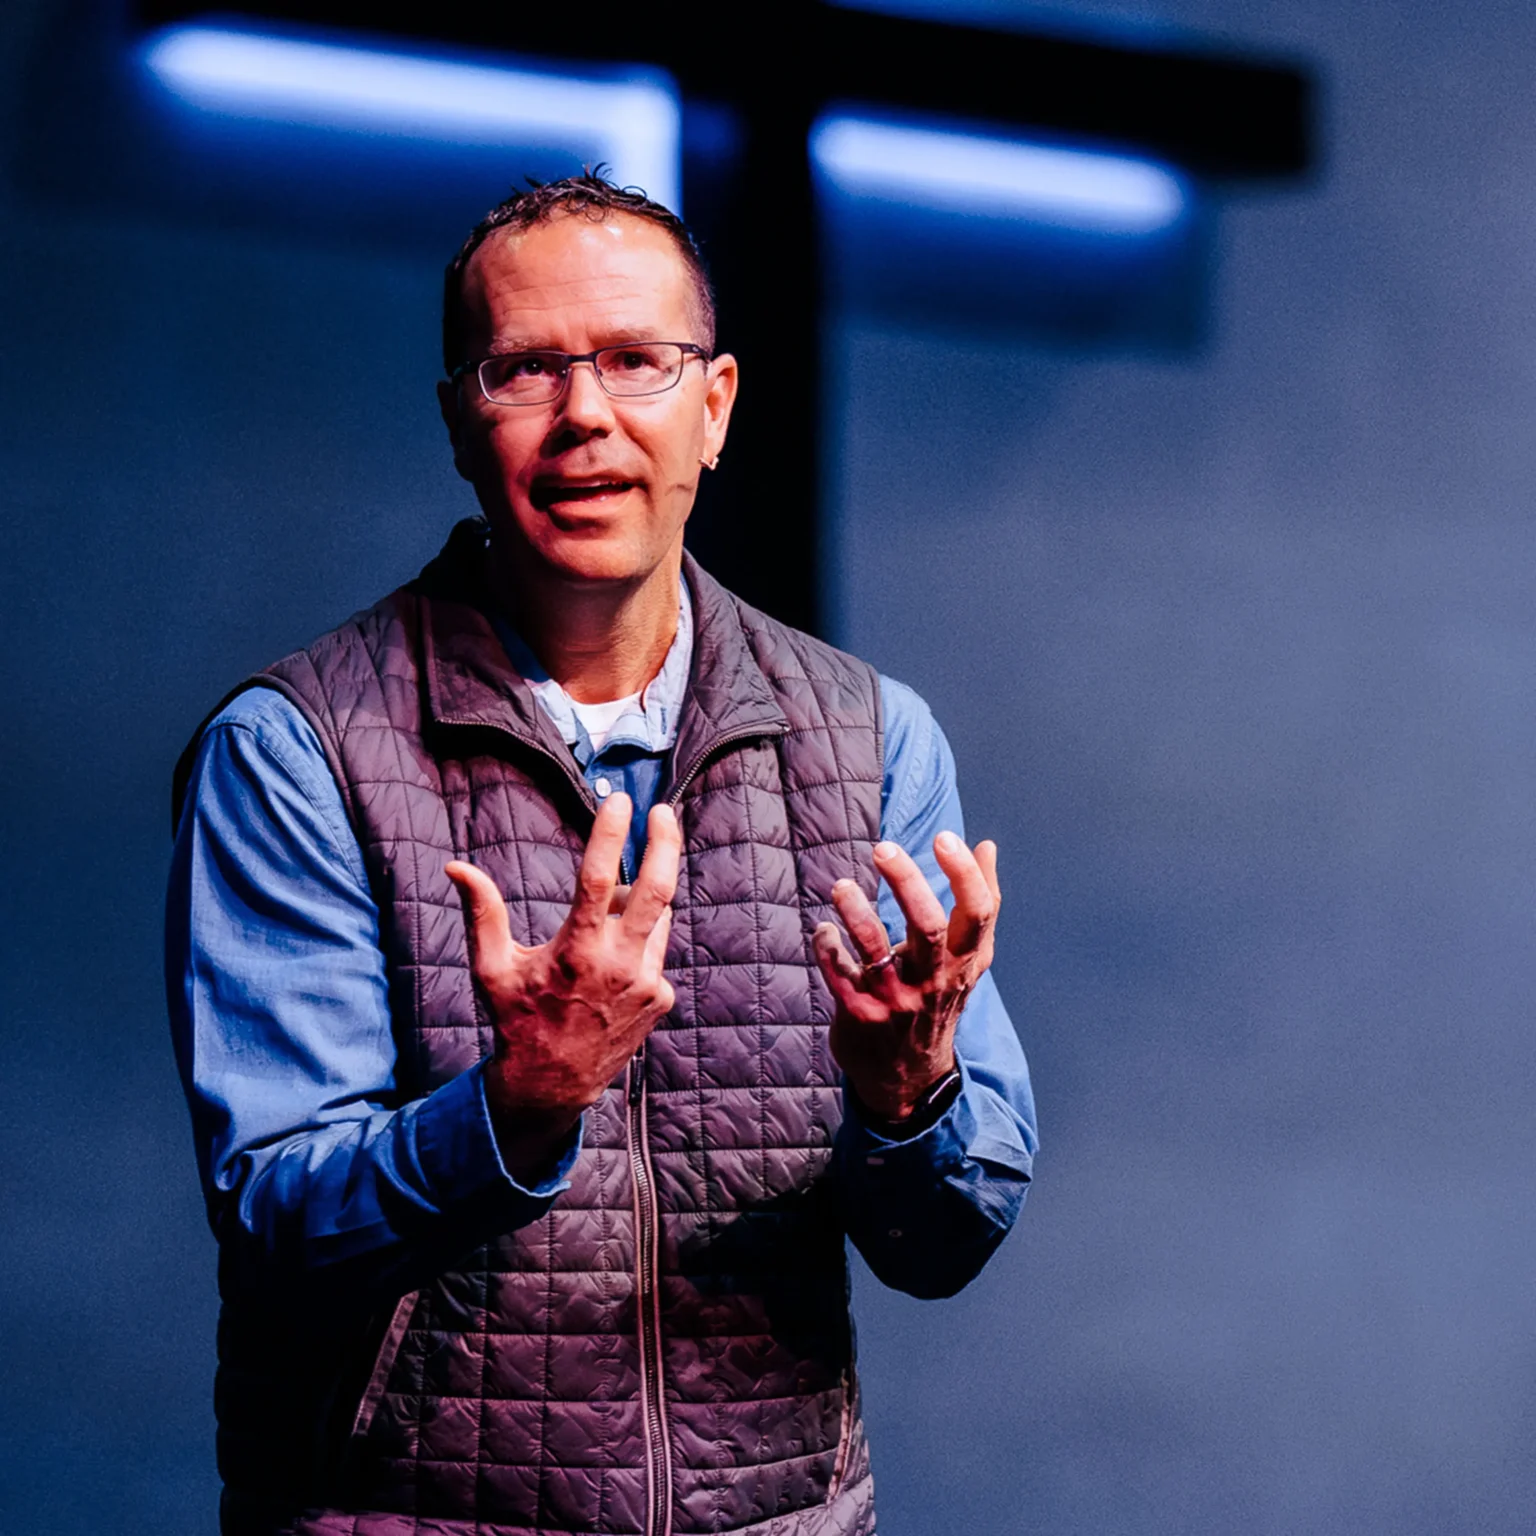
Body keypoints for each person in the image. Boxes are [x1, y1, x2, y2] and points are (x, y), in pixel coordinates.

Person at [167, 172, 1036, 1536]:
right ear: (463, 418)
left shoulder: (870, 738)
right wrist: (516, 1107)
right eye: (526, 369)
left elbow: (948, 1241)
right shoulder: (297, 750)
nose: (587, 416)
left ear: (718, 406)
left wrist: (910, 1091)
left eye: (637, 360)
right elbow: (280, 1227)